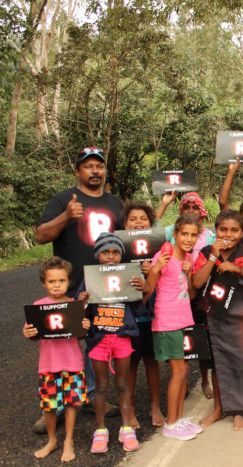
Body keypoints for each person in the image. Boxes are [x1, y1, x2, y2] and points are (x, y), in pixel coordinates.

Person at [34, 147, 123, 433]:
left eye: (99, 165)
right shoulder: (62, 200)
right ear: (78, 171)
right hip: (68, 287)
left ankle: (89, 395)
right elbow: (40, 236)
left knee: (96, 341)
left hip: (105, 285)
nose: (95, 170)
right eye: (88, 166)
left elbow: (127, 242)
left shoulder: (115, 203)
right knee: (61, 343)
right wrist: (65, 217)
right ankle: (56, 405)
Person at [78, 233, 144, 454]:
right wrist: (82, 301)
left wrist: (140, 289)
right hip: (99, 339)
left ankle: (126, 428)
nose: (111, 257)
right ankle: (100, 430)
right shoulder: (89, 278)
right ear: (98, 255)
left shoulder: (128, 275)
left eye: (116, 252)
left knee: (123, 384)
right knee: (101, 386)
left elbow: (140, 308)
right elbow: (78, 312)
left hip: (122, 336)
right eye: (106, 252)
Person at [23, 257, 90, 462]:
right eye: (52, 281)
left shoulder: (74, 306)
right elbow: (33, 333)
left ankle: (68, 440)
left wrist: (85, 327)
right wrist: (28, 332)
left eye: (61, 280)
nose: (57, 285)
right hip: (48, 364)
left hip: (72, 362)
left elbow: (81, 335)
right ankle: (52, 440)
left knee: (71, 403)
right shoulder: (38, 306)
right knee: (49, 405)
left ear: (68, 281)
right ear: (44, 283)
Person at [145, 215, 202, 441]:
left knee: (184, 371)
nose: (188, 238)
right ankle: (171, 423)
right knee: (178, 372)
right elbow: (148, 289)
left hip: (183, 319)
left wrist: (189, 273)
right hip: (167, 320)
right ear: (175, 234)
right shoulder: (164, 255)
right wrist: (155, 268)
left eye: (193, 235)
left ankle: (178, 419)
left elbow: (191, 294)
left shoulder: (187, 256)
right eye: (184, 234)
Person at [192, 209, 243, 431]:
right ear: (215, 231)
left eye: (235, 230)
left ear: (242, 232)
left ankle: (239, 410)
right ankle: (218, 408)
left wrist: (237, 270)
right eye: (223, 229)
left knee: (239, 362)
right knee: (218, 364)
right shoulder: (207, 251)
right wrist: (214, 257)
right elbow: (197, 283)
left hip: (242, 315)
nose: (229, 234)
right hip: (213, 316)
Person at [121, 202, 165, 429]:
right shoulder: (118, 249)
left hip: (153, 313)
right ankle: (129, 408)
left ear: (151, 223)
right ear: (125, 224)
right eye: (132, 219)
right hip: (128, 315)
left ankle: (155, 405)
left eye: (143, 219)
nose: (138, 222)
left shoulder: (158, 248)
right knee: (130, 364)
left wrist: (153, 272)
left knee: (152, 361)